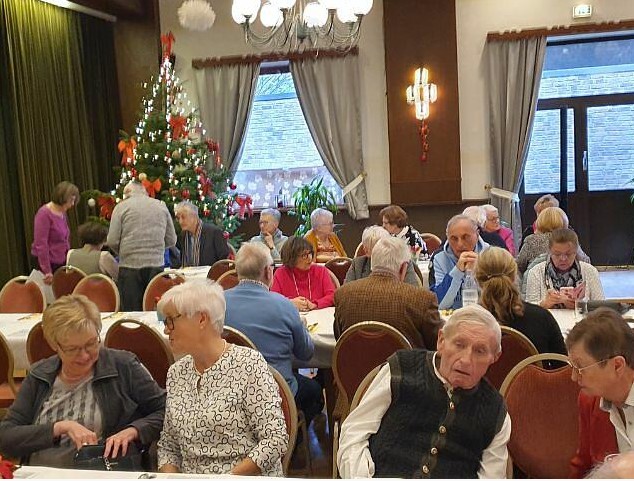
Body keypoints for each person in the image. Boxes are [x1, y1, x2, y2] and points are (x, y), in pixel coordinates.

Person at [337, 304, 510, 478]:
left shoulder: (495, 412)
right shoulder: (402, 370)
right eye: (459, 344)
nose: (466, 359)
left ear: (494, 358)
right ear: (441, 341)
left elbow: (492, 476)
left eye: (480, 351)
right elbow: (354, 434)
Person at [0, 295, 166, 467]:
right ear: (54, 345)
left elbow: (165, 410)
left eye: (91, 344)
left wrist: (134, 431)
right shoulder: (40, 374)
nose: (85, 355)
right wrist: (60, 428)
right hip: (40, 474)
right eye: (73, 349)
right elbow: (5, 435)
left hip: (102, 473)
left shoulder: (123, 366)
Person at [156, 280, 287, 475]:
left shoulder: (248, 365)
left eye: (171, 320)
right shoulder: (177, 373)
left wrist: (228, 478)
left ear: (201, 319)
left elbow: (275, 439)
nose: (166, 329)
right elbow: (169, 446)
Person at [224, 243, 323, 426]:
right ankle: (292, 441)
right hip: (276, 391)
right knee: (315, 392)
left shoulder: (217, 303)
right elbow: (306, 354)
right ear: (269, 272)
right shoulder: (285, 306)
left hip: (228, 390)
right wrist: (301, 327)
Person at [335, 236, 442, 349]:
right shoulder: (423, 299)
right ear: (403, 268)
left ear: (372, 263)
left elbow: (340, 338)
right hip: (405, 366)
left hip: (353, 365)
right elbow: (436, 344)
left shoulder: (343, 294)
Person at [566, 308, 634, 476]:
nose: (574, 377)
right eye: (572, 367)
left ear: (617, 365)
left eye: (580, 367)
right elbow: (583, 466)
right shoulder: (589, 401)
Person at [474, 246, 566, 358]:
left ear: (477, 280)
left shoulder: (467, 321)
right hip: (532, 375)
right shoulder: (541, 317)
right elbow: (562, 368)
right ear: (514, 276)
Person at [107, 181, 177, 311]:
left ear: (127, 194)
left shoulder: (121, 207)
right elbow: (172, 239)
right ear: (144, 191)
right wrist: (157, 249)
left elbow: (112, 240)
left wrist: (123, 252)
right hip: (156, 266)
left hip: (129, 267)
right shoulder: (161, 206)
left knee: (132, 314)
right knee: (155, 310)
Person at [525, 228, 604, 309]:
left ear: (576, 251)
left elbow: (602, 307)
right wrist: (544, 304)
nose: (563, 259)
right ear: (549, 252)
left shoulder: (589, 271)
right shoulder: (536, 272)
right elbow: (529, 310)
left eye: (568, 254)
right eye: (557, 254)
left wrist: (581, 305)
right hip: (548, 321)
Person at [430, 214, 489, 310]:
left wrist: (479, 270)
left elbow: (496, 300)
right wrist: (457, 271)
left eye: (465, 237)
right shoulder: (440, 259)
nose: (460, 244)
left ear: (477, 235)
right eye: (454, 238)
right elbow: (440, 304)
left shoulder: (490, 254)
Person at [517, 206, 590, 275]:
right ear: (564, 221)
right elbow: (586, 262)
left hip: (535, 282)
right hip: (568, 283)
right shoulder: (570, 239)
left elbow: (519, 265)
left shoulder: (531, 240)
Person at [31, 181, 80, 285]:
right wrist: (47, 271)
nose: (72, 204)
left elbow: (64, 238)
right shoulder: (43, 214)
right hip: (47, 263)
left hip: (60, 261)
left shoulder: (62, 212)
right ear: (62, 197)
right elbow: (41, 244)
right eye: (71, 200)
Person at [271, 236, 336, 311]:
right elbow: (274, 301)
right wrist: (290, 303)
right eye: (304, 255)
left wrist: (315, 304)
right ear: (292, 258)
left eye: (310, 253)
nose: (310, 258)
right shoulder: (281, 273)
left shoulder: (321, 271)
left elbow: (332, 296)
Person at [344, 225, 420, 286]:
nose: (384, 251)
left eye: (386, 247)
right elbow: (347, 292)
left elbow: (413, 290)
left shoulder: (404, 262)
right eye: (378, 249)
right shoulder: (358, 264)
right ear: (366, 251)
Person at [174, 201, 228, 268]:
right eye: (178, 218)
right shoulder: (183, 235)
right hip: (189, 276)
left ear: (194, 217)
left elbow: (224, 261)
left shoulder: (214, 232)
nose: (180, 222)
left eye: (183, 217)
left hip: (210, 276)